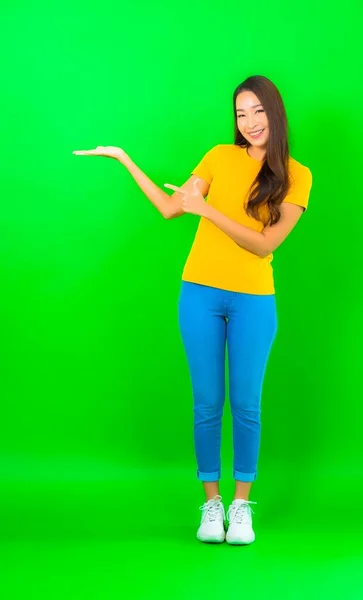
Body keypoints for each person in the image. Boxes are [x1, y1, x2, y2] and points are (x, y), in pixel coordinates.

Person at [73, 74, 313, 546]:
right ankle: (211, 503)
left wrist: (208, 212)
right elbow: (169, 207)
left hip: (254, 300)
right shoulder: (219, 157)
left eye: (257, 111)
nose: (249, 122)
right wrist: (124, 159)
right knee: (207, 404)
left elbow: (265, 245)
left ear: (275, 112)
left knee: (245, 405)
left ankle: (241, 506)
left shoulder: (297, 174)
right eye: (241, 114)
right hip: (199, 294)